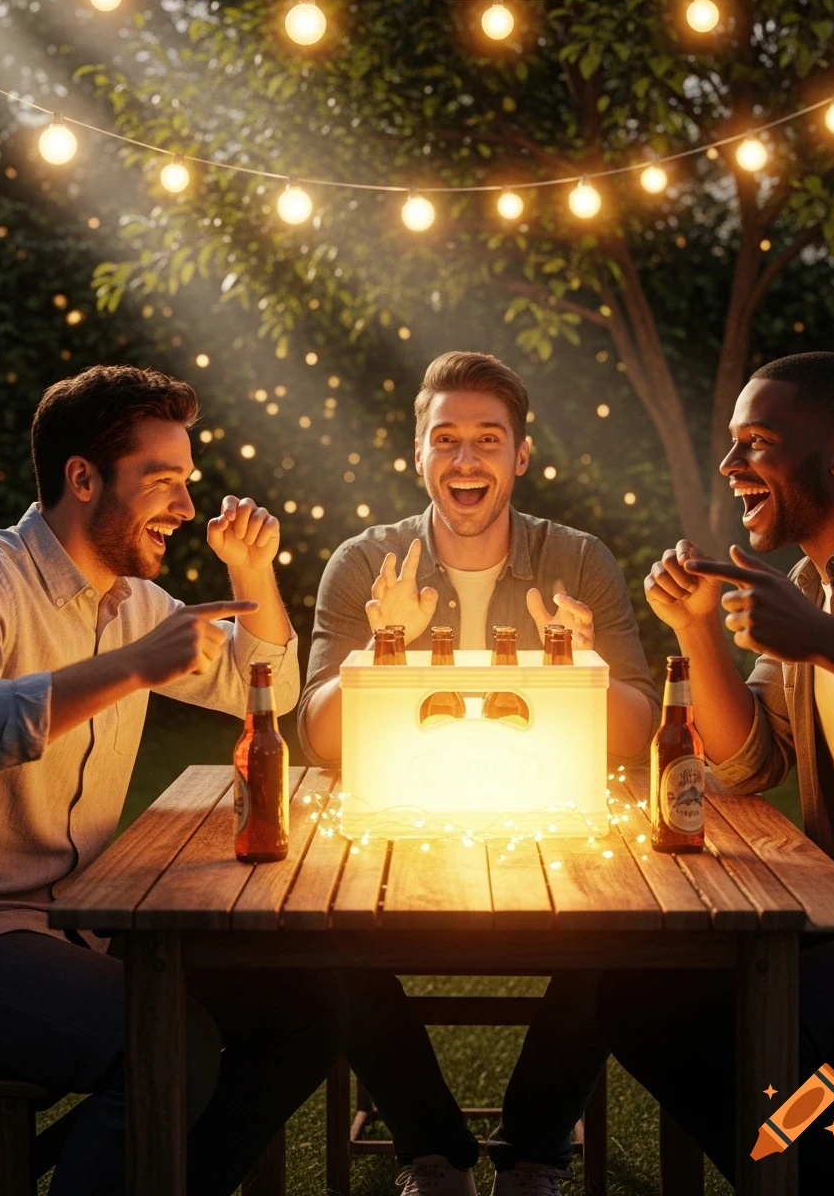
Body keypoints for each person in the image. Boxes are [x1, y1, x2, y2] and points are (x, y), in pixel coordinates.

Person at [299, 350, 660, 1195]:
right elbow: (317, 737)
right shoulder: (363, 563)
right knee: (317, 935)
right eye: (446, 438)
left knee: (627, 932)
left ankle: (535, 1151)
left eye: (488, 439)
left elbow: (639, 728)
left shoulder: (578, 560)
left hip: (553, 828)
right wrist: (380, 645)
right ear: (418, 453)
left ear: (520, 455)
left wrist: (584, 667)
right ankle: (433, 1151)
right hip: (397, 825)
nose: (466, 458)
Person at [0, 365, 347, 1196]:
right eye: (163, 482)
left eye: (187, 482)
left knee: (309, 1007)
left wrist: (250, 570)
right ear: (83, 479)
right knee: (169, 1043)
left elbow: (265, 687)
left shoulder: (135, 601)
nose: (186, 507)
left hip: (85, 926)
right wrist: (131, 667)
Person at [596, 351, 834, 1191]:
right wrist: (696, 630)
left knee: (757, 1022)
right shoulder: (808, 584)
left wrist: (819, 638)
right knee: (639, 996)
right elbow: (751, 760)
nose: (730, 464)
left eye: (756, 442)